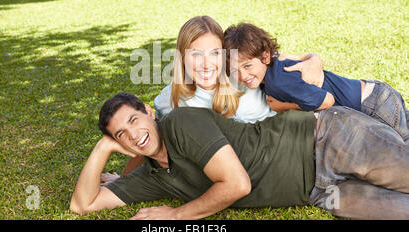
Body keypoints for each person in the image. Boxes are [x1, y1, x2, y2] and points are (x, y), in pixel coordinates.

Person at [70, 92, 409, 220]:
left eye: (134, 120)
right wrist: (103, 148)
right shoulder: (153, 176)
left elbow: (236, 184)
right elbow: (82, 205)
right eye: (120, 135)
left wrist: (174, 216)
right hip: (320, 193)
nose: (133, 135)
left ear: (148, 112)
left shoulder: (181, 123)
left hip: (327, 140)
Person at [118, 16, 324, 176]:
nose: (206, 64)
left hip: (309, 134)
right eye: (196, 54)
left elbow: (284, 60)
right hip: (267, 164)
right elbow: (149, 130)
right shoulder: (172, 97)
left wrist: (313, 60)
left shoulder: (243, 78)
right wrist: (124, 178)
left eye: (215, 53)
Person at [223, 23, 408, 144]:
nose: (243, 75)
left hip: (372, 104)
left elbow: (327, 101)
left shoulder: (277, 82)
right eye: (234, 70)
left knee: (402, 149)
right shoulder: (274, 65)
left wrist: (283, 106)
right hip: (375, 93)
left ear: (264, 56)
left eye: (247, 65)